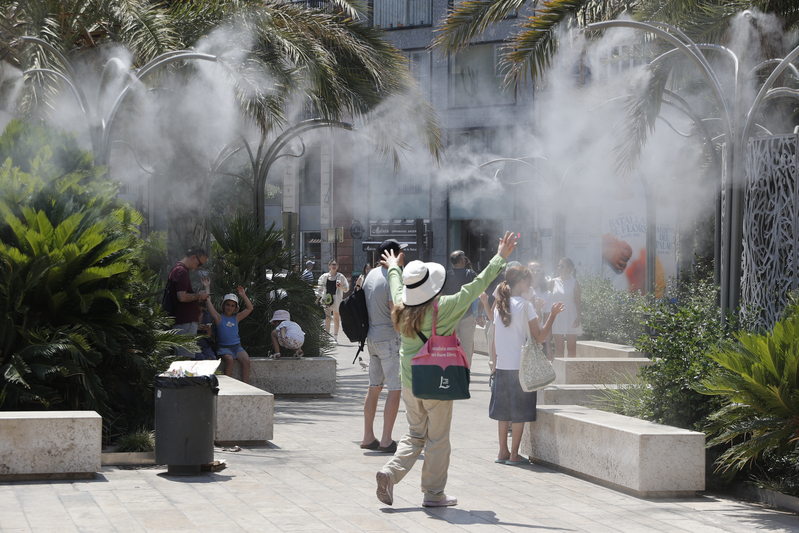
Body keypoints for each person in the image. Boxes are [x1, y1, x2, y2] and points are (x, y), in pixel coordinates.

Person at [375, 231, 518, 508]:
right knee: (438, 438)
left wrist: (394, 267)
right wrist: (500, 257)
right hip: (435, 379)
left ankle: (390, 473)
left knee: (415, 433)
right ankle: (433, 494)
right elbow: (477, 286)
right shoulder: (446, 307)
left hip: (409, 381)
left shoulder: (402, 306)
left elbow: (395, 285)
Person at [490, 265, 564, 465]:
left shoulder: (499, 305)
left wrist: (494, 365)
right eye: (529, 281)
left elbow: (494, 340)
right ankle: (514, 455)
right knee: (519, 413)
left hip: (503, 366)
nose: (531, 284)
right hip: (521, 368)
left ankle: (502, 452)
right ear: (521, 282)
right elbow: (539, 337)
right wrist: (552, 315)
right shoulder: (526, 306)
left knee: (503, 413)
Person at [361, 239, 403, 454]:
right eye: (401, 252)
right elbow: (395, 309)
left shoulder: (371, 275)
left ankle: (368, 436)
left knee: (374, 386)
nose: (404, 255)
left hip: (371, 338)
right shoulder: (391, 277)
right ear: (394, 255)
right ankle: (386, 439)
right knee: (395, 388)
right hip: (389, 339)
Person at [204, 286, 254, 383]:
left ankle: (245, 385)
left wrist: (243, 295)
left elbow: (250, 308)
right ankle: (227, 385)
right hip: (224, 348)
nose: (229, 307)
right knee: (229, 359)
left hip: (237, 347)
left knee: (246, 360)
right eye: (227, 305)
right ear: (223, 305)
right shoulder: (218, 317)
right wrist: (207, 286)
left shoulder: (237, 317)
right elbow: (208, 301)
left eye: (232, 305)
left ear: (235, 308)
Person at [168, 246, 210, 358]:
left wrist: (197, 297)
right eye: (199, 264)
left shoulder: (179, 270)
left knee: (183, 360)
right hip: (185, 323)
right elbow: (182, 297)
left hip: (183, 323)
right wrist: (199, 295)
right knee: (184, 361)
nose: (199, 267)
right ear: (193, 257)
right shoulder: (181, 271)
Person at [441, 250, 478, 366]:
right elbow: (478, 291)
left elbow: (441, 295)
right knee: (467, 346)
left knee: (449, 345)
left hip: (451, 316)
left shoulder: (445, 275)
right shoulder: (470, 274)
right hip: (467, 314)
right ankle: (465, 371)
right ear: (462, 261)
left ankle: (450, 369)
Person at [552, 257, 582, 357]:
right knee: (559, 348)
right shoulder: (553, 282)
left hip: (571, 316)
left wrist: (578, 317)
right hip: (557, 316)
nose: (559, 268)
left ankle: (571, 366)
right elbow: (549, 300)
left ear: (569, 268)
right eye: (558, 266)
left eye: (562, 266)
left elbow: (577, 301)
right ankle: (560, 367)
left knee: (572, 347)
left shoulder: (574, 282)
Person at [317, 259, 349, 344]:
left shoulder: (340, 276)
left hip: (337, 299)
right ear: (329, 266)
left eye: (335, 264)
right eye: (332, 264)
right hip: (327, 299)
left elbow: (346, 288)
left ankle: (335, 337)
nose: (334, 266)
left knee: (336, 318)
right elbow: (320, 289)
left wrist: (341, 287)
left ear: (337, 266)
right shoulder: (324, 276)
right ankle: (327, 337)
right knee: (328, 318)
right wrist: (317, 299)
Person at [528, 260, 554, 360]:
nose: (535, 272)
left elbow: (548, 322)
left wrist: (548, 347)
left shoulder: (547, 294)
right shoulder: (520, 292)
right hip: (522, 338)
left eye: (538, 270)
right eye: (532, 270)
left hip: (540, 339)